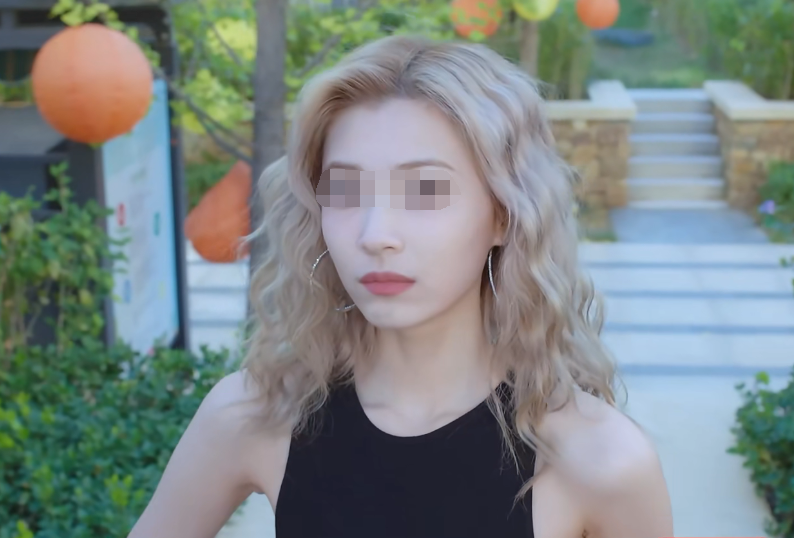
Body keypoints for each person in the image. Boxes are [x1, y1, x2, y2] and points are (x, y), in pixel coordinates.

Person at [129, 35, 674, 538]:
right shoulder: (255, 414)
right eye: (344, 190)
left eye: (425, 190)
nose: (375, 235)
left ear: (505, 215)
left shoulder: (601, 461)